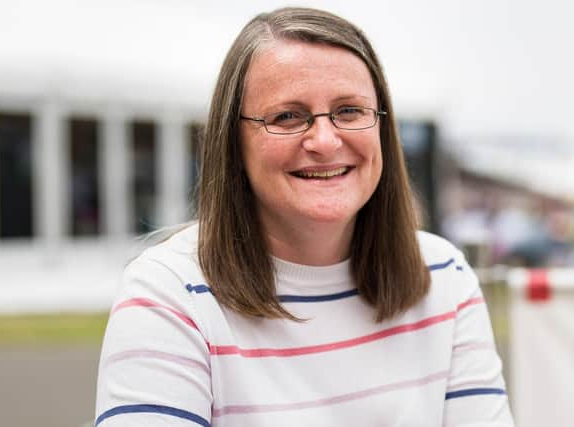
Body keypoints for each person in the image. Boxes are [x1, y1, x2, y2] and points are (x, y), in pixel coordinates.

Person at [95, 7, 514, 426]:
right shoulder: (170, 293)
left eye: (349, 110)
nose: (325, 141)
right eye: (287, 117)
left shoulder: (444, 276)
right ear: (233, 143)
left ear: (381, 127)